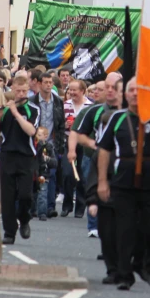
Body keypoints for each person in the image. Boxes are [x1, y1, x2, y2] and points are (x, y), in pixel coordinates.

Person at [96, 78, 150, 290]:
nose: (134, 94)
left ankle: (147, 266)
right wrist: (103, 181)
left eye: (138, 91)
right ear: (125, 94)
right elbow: (104, 150)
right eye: (130, 90)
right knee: (125, 231)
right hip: (123, 183)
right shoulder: (116, 118)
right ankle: (124, 276)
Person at [70, 72, 122, 237]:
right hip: (97, 159)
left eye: (113, 87)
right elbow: (78, 133)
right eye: (107, 87)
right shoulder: (94, 111)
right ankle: (94, 226)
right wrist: (92, 144)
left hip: (123, 163)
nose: (109, 90)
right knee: (96, 192)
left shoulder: (130, 111)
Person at [0, 75, 39, 245]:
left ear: (28, 90)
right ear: (12, 91)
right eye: (17, 91)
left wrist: (15, 112)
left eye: (24, 91)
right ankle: (9, 232)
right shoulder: (4, 110)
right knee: (7, 197)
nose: (20, 94)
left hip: (25, 156)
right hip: (7, 155)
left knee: (25, 195)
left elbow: (31, 131)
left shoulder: (33, 109)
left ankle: (24, 219)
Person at [31, 72, 65, 217]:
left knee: (51, 173)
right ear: (39, 83)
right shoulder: (32, 100)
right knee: (36, 173)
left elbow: (61, 125)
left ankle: (50, 207)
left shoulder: (57, 102)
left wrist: (60, 145)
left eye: (50, 82)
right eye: (45, 82)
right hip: (36, 143)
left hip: (51, 142)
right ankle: (35, 206)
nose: (48, 85)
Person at [62, 79, 93, 218]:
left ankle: (80, 207)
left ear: (82, 91)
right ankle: (67, 204)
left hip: (83, 144)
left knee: (81, 175)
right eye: (70, 90)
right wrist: (65, 124)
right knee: (68, 174)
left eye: (75, 90)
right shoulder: (65, 105)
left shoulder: (89, 106)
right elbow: (58, 123)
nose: (72, 92)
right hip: (68, 142)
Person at [34, 126, 57, 222]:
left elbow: (54, 162)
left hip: (44, 172)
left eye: (40, 135)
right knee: (34, 193)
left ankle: (42, 212)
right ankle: (33, 210)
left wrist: (47, 159)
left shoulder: (48, 147)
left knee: (43, 193)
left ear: (45, 136)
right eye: (37, 135)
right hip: (35, 173)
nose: (38, 137)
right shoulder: (34, 146)